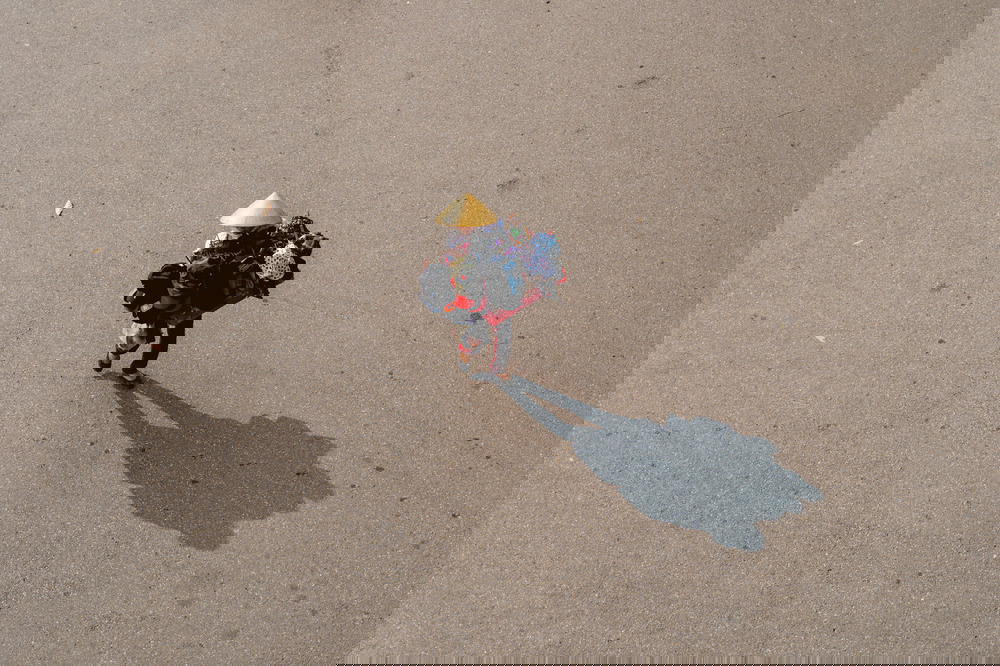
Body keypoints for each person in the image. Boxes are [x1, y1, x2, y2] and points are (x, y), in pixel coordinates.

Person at [94, 193, 325, 383]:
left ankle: (124, 363)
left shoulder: (232, 245)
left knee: (162, 333)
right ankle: (115, 359)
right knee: (156, 331)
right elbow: (187, 283)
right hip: (192, 301)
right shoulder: (227, 254)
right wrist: (158, 306)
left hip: (198, 299)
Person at [419, 194, 566, 378]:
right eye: (462, 225)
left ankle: (497, 369)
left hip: (494, 291)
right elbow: (459, 263)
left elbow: (501, 253)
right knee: (479, 330)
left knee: (502, 331)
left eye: (467, 225)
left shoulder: (488, 236)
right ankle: (467, 354)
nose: (464, 228)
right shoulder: (458, 240)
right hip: (477, 295)